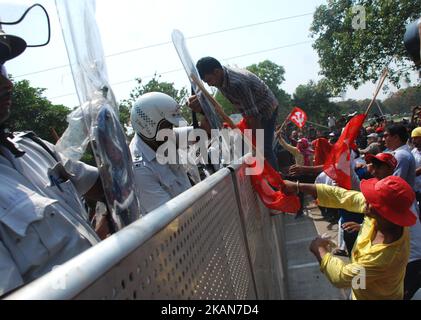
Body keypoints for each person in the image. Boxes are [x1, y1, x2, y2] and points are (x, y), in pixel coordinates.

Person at [0, 27, 103, 296]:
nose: (7, 83)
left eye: (3, 69)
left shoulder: (35, 147)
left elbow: (106, 187)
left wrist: (107, 135)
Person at [283, 176, 416, 300]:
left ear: (384, 212)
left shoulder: (384, 256)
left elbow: (341, 277)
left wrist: (320, 249)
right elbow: (343, 196)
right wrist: (298, 186)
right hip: (362, 288)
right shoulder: (383, 218)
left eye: (373, 201)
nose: (366, 201)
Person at [189, 56, 280, 170]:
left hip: (266, 110)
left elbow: (254, 116)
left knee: (263, 149)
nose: (209, 85)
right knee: (247, 146)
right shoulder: (221, 76)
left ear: (217, 72)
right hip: (251, 111)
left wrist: (256, 145)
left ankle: (275, 180)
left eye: (209, 80)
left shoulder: (237, 84)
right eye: (206, 82)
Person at [130, 92, 192, 213]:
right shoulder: (139, 169)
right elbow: (171, 219)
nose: (171, 131)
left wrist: (202, 109)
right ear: (150, 126)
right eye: (168, 126)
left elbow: (205, 131)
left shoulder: (166, 136)